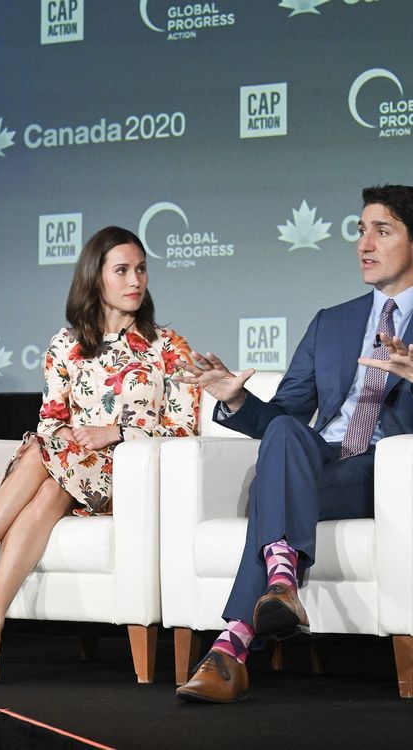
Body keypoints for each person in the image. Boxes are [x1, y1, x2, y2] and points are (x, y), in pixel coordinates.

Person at [0, 226, 199, 682]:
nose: (136, 280)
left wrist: (113, 431)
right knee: (48, 470)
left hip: (128, 478)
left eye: (141, 270)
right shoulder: (64, 345)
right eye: (122, 270)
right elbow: (51, 420)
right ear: (95, 279)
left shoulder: (168, 347)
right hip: (62, 469)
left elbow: (182, 428)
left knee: (46, 456)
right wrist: (68, 442)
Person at [174, 184, 413, 703]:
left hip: (387, 472)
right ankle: (281, 581)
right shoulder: (333, 321)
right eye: (360, 230)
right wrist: (237, 401)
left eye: (382, 230)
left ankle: (231, 647)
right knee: (284, 432)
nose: (363, 243)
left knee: (272, 494)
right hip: (322, 463)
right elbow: (282, 418)